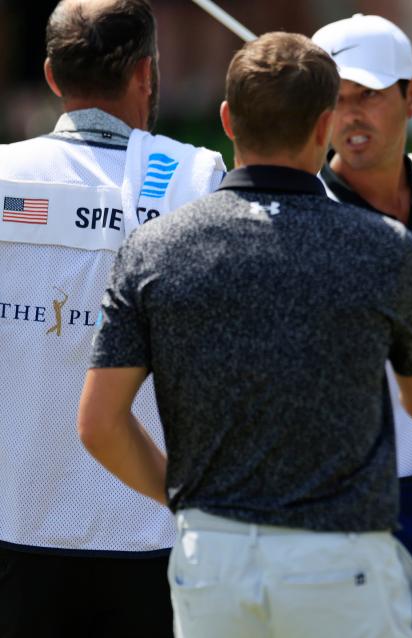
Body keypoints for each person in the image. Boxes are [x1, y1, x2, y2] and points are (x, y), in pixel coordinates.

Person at [76, 31, 412, 638]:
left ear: (228, 119)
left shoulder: (153, 249)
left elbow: (100, 424)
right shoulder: (379, 247)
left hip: (213, 565)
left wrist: (189, 504)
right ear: (322, 128)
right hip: (342, 562)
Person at [0, 1, 224, 636]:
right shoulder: (197, 178)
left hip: (16, 522)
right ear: (147, 75)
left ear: (49, 75)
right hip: (153, 530)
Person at [311, 14, 412, 637]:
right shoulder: (302, 216)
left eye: (368, 96)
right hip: (358, 514)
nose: (350, 116)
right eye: (334, 99)